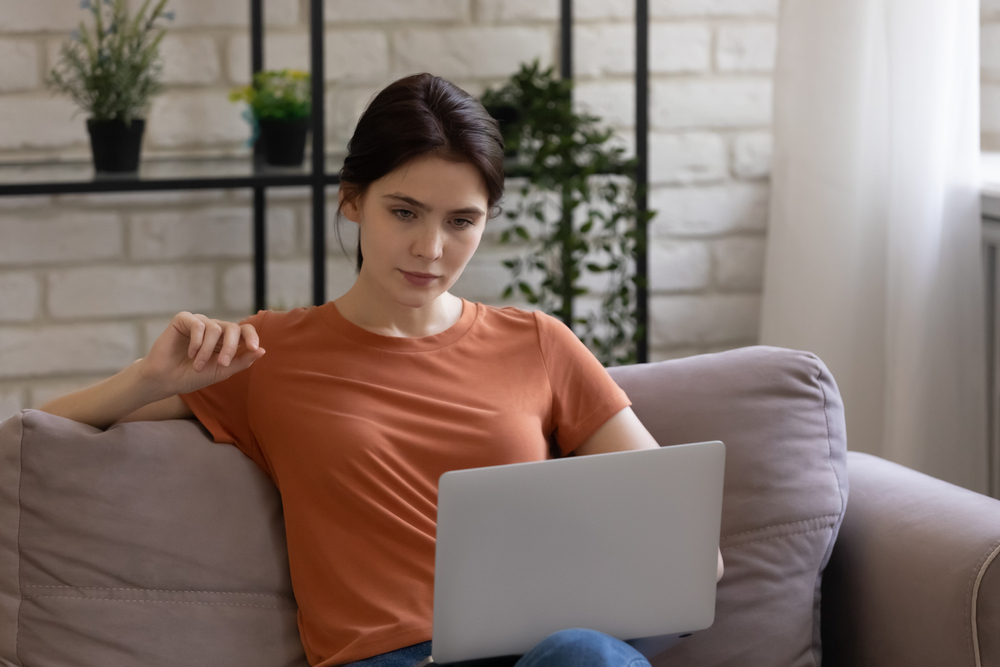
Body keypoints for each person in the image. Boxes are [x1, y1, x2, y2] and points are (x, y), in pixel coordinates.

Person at [39, 73, 723, 667]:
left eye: (462, 221)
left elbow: (683, 547)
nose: (431, 248)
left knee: (587, 652)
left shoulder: (538, 343)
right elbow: (35, 435)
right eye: (405, 212)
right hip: (386, 656)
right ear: (351, 200)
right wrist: (148, 378)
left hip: (541, 649)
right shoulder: (267, 352)